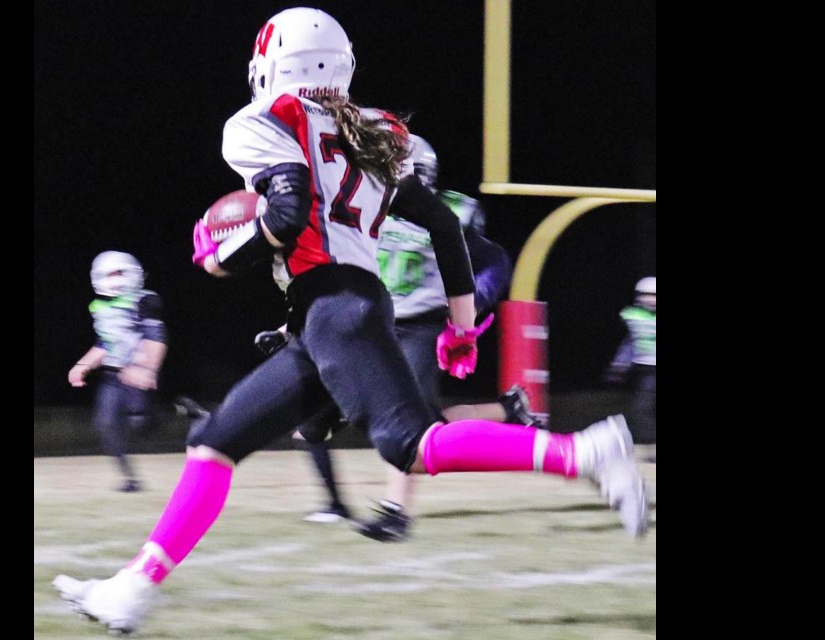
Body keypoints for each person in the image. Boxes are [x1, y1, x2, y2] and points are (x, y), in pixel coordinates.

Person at [54, 8, 648, 633]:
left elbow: (286, 213)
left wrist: (222, 257)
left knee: (412, 444)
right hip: (334, 312)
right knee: (214, 443)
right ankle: (132, 589)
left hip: (338, 309)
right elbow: (444, 227)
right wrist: (464, 324)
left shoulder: (262, 123)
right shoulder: (374, 131)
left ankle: (585, 452)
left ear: (272, 63)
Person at [256, 134, 536, 541]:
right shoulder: (362, 211)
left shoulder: (446, 213)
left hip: (420, 324)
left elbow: (494, 261)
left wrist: (470, 308)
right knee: (312, 421)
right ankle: (507, 410)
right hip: (368, 318)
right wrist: (293, 325)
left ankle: (396, 512)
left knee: (412, 425)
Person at [67, 250, 169, 493]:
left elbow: (156, 336)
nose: (115, 279)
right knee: (105, 424)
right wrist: (83, 365)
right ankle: (130, 479)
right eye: (109, 274)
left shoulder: (144, 300)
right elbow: (105, 343)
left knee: (141, 423)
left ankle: (174, 410)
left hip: (137, 375)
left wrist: (147, 368)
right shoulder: (99, 307)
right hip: (113, 376)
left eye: (119, 272)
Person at [605, 276, 656, 453]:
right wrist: (619, 365)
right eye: (646, 295)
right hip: (645, 369)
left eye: (654, 295)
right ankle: (651, 446)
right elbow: (629, 343)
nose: (651, 300)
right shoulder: (634, 316)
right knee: (642, 408)